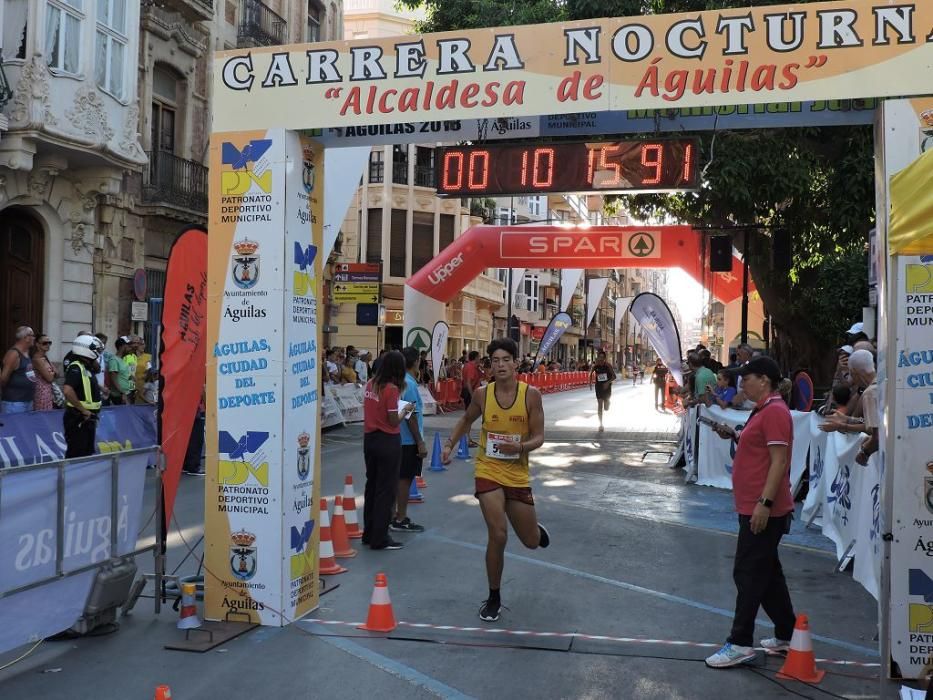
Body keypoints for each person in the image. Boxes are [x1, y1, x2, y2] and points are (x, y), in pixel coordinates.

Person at [441, 338, 550, 622]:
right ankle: (493, 596)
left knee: (530, 542)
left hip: (516, 471)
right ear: (490, 365)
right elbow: (466, 420)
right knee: (498, 533)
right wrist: (449, 445)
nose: (500, 365)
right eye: (495, 361)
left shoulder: (531, 395)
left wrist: (522, 447)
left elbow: (539, 436)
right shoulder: (481, 394)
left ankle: (535, 530)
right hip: (487, 468)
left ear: (516, 363)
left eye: (505, 360)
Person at [705, 356, 797, 668]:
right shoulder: (764, 410)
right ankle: (788, 634)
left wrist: (765, 503)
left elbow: (779, 461)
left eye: (747, 377)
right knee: (767, 574)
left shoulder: (774, 412)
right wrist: (732, 434)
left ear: (765, 380)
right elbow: (758, 448)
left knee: (747, 573)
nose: (741, 382)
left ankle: (740, 641)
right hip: (755, 506)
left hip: (764, 510)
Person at [362, 350, 414, 551]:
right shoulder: (391, 389)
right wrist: (405, 410)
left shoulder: (370, 384)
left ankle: (369, 532)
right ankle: (380, 537)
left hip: (370, 439)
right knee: (386, 489)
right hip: (387, 440)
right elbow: (393, 420)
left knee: (372, 486)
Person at [392, 347, 428, 533]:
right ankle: (401, 517)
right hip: (407, 441)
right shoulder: (410, 384)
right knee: (405, 479)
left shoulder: (397, 382)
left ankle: (391, 515)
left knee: (396, 478)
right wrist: (420, 441)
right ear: (416, 362)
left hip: (396, 438)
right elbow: (410, 414)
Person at [61, 335, 104, 459]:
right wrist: (83, 410)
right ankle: (72, 478)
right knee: (76, 453)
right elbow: (67, 390)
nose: (98, 353)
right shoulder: (76, 367)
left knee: (86, 453)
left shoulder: (86, 366)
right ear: (86, 349)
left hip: (87, 417)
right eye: (95, 349)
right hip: (78, 417)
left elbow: (97, 368)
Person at [1, 326, 37, 413]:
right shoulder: (14, 354)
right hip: (14, 404)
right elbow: (3, 380)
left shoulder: (26, 353)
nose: (34, 338)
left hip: (27, 401)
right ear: (26, 338)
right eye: (32, 335)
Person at [588, 350, 616, 432]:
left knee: (606, 407)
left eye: (602, 357)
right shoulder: (595, 366)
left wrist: (607, 383)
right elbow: (590, 373)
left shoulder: (608, 366)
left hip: (607, 387)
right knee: (600, 405)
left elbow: (614, 376)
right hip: (599, 387)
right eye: (599, 357)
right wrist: (590, 383)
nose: (600, 359)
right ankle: (600, 424)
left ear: (604, 358)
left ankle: (608, 402)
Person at [31, 333, 58, 411]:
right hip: (41, 392)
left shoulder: (44, 357)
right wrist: (52, 373)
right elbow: (50, 378)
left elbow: (58, 373)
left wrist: (51, 373)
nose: (48, 345)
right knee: (43, 416)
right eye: (44, 343)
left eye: (49, 343)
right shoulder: (37, 359)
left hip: (48, 391)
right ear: (37, 344)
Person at [461, 350, 482, 446]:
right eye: (479, 356)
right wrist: (472, 395)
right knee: (469, 417)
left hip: (470, 391)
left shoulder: (471, 366)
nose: (480, 358)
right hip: (470, 392)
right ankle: (467, 439)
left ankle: (468, 438)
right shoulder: (470, 367)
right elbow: (469, 382)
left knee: (470, 417)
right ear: (476, 357)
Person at [108, 337, 135, 405]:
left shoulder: (122, 360)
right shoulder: (114, 360)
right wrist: (122, 393)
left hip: (125, 394)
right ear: (121, 346)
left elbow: (121, 376)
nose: (130, 347)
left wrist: (130, 377)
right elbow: (113, 379)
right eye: (128, 345)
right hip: (119, 396)